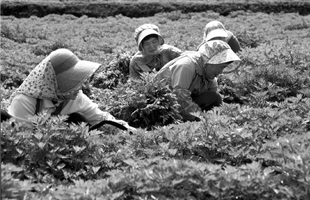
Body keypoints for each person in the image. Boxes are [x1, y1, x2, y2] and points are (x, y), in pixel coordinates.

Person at [3, 48, 136, 132]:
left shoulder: (75, 95)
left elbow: (100, 118)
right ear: (54, 83)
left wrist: (130, 131)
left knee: (78, 118)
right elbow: (23, 137)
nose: (78, 87)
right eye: (71, 82)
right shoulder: (25, 100)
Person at [155, 40, 241, 113]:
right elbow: (179, 99)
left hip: (182, 103)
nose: (221, 71)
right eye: (221, 67)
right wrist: (201, 117)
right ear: (210, 61)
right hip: (162, 105)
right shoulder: (187, 66)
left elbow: (215, 101)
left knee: (215, 97)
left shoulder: (210, 77)